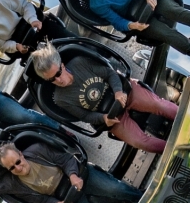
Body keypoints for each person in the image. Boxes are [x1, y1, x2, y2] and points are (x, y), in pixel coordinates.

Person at [30, 41, 178, 153]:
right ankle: (176, 150)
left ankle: (189, 117)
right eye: (52, 80)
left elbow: (110, 73)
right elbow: (84, 115)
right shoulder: (60, 98)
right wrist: (103, 119)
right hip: (111, 116)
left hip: (125, 92)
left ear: (62, 65)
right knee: (140, 142)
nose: (59, 80)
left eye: (57, 74)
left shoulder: (79, 63)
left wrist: (118, 91)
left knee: (161, 105)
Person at [0, 140, 142, 203]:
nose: (18, 168)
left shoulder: (38, 150)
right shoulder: (17, 185)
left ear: (21, 154)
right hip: (66, 199)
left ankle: (142, 198)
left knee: (116, 189)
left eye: (18, 162)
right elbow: (40, 201)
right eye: (12, 168)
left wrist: (73, 176)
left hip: (78, 177)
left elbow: (66, 159)